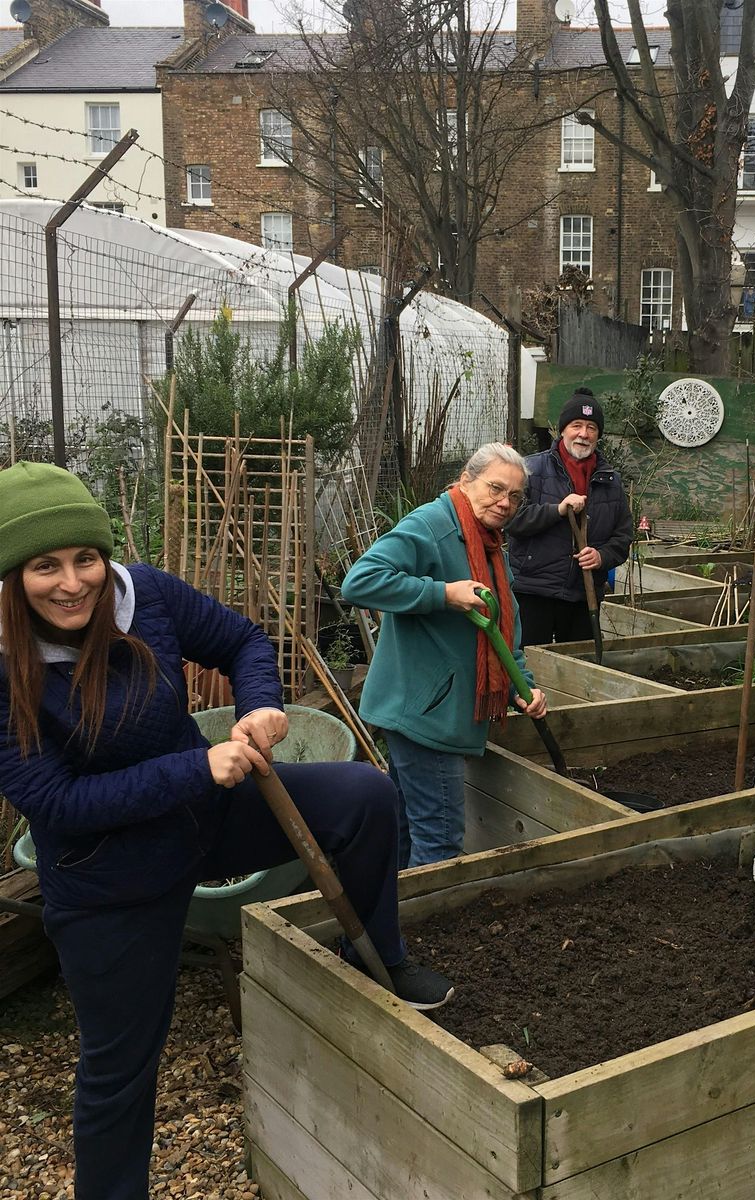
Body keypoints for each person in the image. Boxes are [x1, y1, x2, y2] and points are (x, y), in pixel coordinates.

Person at [0, 462, 452, 1200]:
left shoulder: (143, 595)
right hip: (107, 876)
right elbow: (57, 802)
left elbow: (242, 639)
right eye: (44, 566)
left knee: (364, 796)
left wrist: (261, 704)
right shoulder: (5, 664)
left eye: (85, 557)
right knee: (120, 1070)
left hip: (203, 819)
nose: (73, 581)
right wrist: (195, 770)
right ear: (13, 577)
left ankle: (382, 957)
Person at [340, 443, 548, 869]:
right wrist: (442, 593)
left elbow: (505, 628)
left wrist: (521, 687)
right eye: (495, 488)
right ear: (466, 481)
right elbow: (359, 582)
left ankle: (385, 924)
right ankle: (418, 930)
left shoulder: (489, 544)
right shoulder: (432, 525)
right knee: (440, 840)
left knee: (402, 830)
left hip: (431, 709)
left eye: (514, 495)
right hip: (426, 716)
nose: (504, 502)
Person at [506, 388, 634, 645]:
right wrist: (557, 510)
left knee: (577, 669)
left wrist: (601, 556)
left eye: (591, 427)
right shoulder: (530, 469)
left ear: (598, 435)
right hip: (534, 590)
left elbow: (623, 537)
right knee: (528, 666)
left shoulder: (611, 482)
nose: (583, 434)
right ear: (562, 430)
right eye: (576, 425)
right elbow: (511, 520)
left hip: (583, 595)